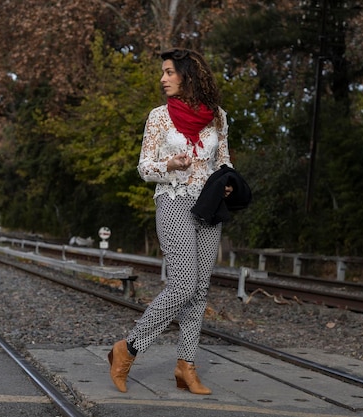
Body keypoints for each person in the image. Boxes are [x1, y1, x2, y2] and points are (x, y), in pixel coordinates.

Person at [108, 48, 234, 395]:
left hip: (209, 209)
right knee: (183, 284)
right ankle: (128, 348)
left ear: (187, 75)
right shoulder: (159, 117)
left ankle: (186, 367)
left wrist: (227, 183)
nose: (163, 79)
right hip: (174, 202)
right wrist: (170, 166)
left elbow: (224, 162)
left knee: (200, 290)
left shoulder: (218, 118)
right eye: (162, 73)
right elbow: (144, 167)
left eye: (169, 72)